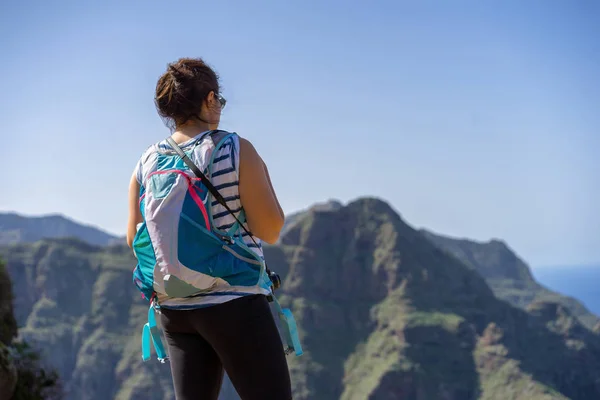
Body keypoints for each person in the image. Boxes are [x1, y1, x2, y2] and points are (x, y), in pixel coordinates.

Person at [126, 57, 293, 400]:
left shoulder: (146, 162)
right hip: (235, 304)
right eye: (220, 101)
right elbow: (271, 229)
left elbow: (136, 240)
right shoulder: (234, 148)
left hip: (175, 310)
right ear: (210, 99)